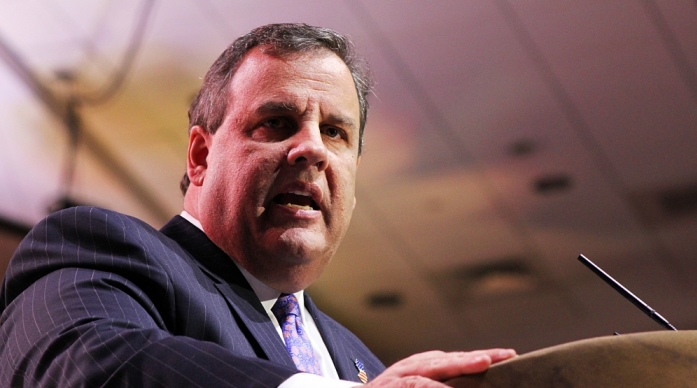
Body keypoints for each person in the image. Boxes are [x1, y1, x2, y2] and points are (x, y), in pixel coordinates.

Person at [0, 23, 515, 387]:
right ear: (200, 156)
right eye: (276, 122)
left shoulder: (363, 364)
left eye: (335, 132)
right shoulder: (100, 248)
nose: (312, 148)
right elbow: (84, 365)